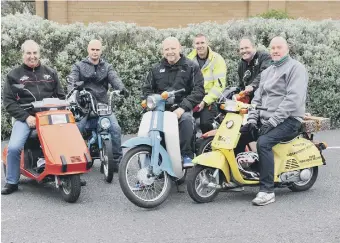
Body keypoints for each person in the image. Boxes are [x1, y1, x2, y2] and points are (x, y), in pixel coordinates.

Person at [235, 36, 309, 206]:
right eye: (272, 48)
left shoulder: (296, 69)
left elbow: (293, 99)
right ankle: (240, 177)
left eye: (279, 47)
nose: (275, 51)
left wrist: (273, 121)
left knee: (263, 142)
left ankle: (267, 190)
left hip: (289, 120)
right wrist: (253, 119)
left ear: (287, 49)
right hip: (266, 118)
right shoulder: (268, 71)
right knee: (239, 136)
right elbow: (257, 98)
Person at [2, 40, 65, 195]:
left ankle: (69, 173)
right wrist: (25, 117)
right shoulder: (13, 76)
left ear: (39, 53)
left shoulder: (50, 73)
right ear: (23, 54)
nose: (32, 56)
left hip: (49, 117)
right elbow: (8, 102)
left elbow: (61, 96)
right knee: (15, 147)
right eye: (28, 53)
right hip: (26, 118)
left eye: (35, 53)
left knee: (67, 140)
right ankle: (12, 181)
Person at [142, 37, 204, 168]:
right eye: (166, 49)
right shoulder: (155, 69)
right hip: (160, 110)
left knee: (187, 120)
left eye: (173, 48)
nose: (170, 52)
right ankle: (147, 164)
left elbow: (198, 91)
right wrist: (152, 103)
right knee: (148, 127)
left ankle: (187, 155)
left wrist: (182, 108)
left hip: (181, 109)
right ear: (162, 51)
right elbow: (147, 90)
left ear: (180, 48)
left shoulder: (191, 67)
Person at [68, 39, 128, 171]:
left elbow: (114, 78)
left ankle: (117, 161)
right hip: (83, 104)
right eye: (92, 49)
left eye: (97, 50)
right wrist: (72, 90)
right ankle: (75, 161)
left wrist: (121, 88)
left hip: (102, 104)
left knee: (115, 129)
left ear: (101, 51)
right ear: (88, 50)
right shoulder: (78, 66)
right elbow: (72, 80)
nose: (95, 52)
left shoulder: (107, 66)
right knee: (76, 129)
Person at [187, 34, 227, 134]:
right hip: (193, 97)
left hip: (209, 99)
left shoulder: (217, 59)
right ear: (193, 45)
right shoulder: (188, 59)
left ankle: (208, 145)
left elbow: (219, 86)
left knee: (205, 124)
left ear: (207, 43)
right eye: (197, 43)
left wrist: (204, 102)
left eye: (202, 43)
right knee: (185, 122)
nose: (200, 46)